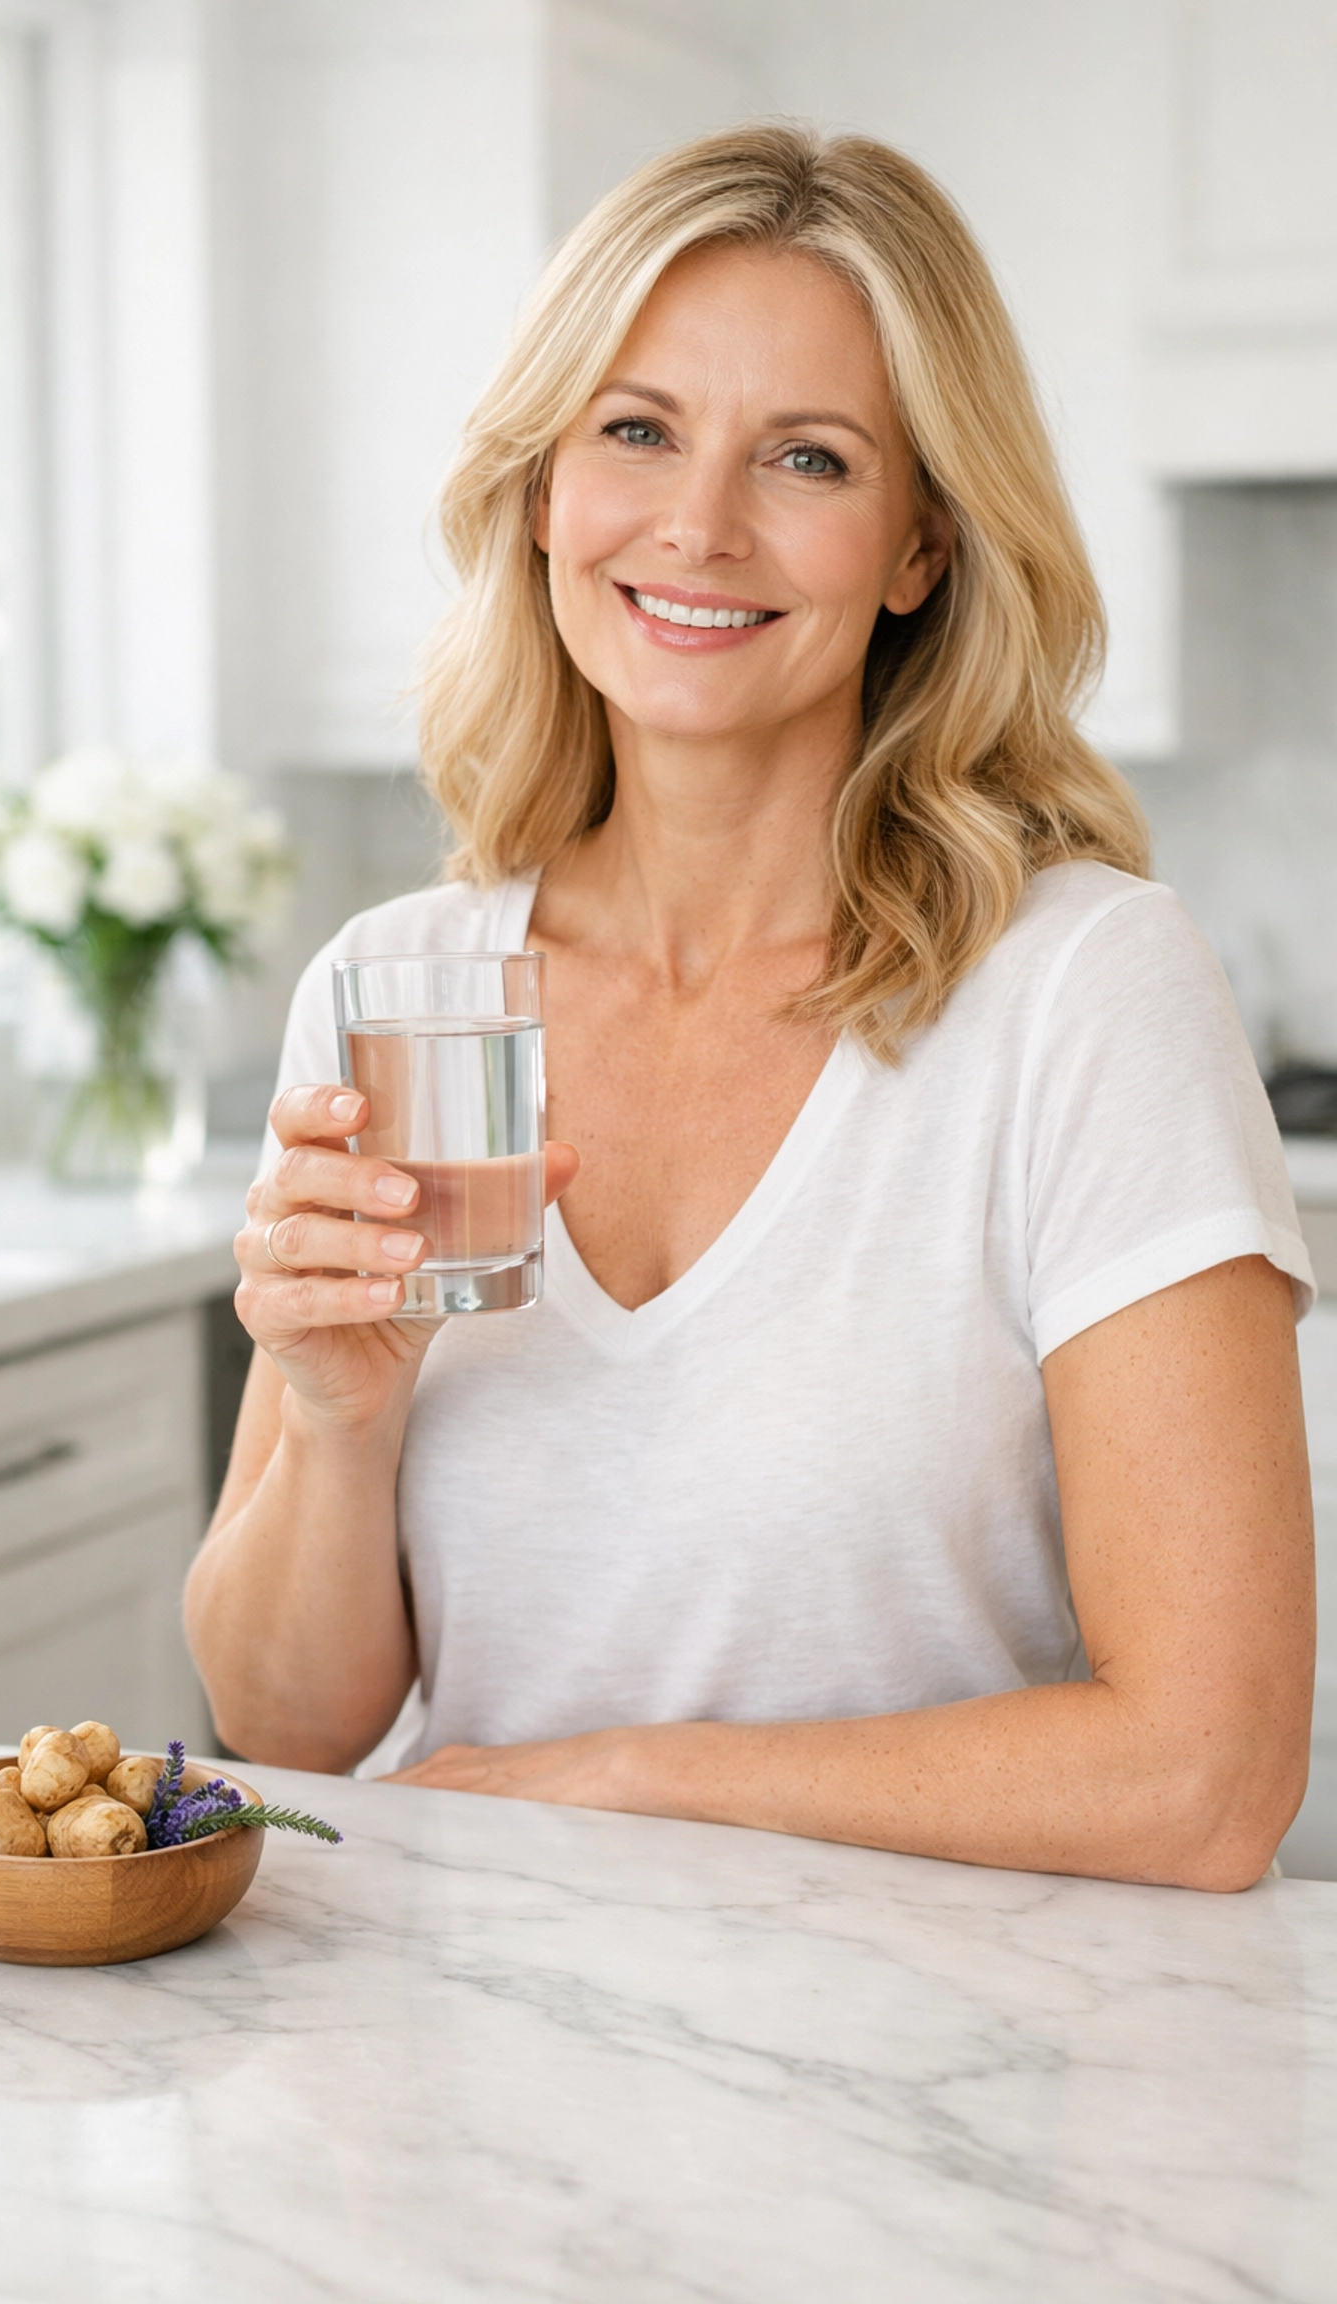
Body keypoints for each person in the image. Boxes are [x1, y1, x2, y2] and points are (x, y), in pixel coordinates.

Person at [185, 126, 1316, 1890]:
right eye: (635, 429)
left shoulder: (1080, 996)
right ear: (548, 487)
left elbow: (1206, 1775)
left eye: (807, 456)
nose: (698, 525)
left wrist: (625, 1780)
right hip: (463, 2073)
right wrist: (340, 1412)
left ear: (923, 547)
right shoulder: (403, 990)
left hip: (938, 2099)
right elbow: (289, 1728)